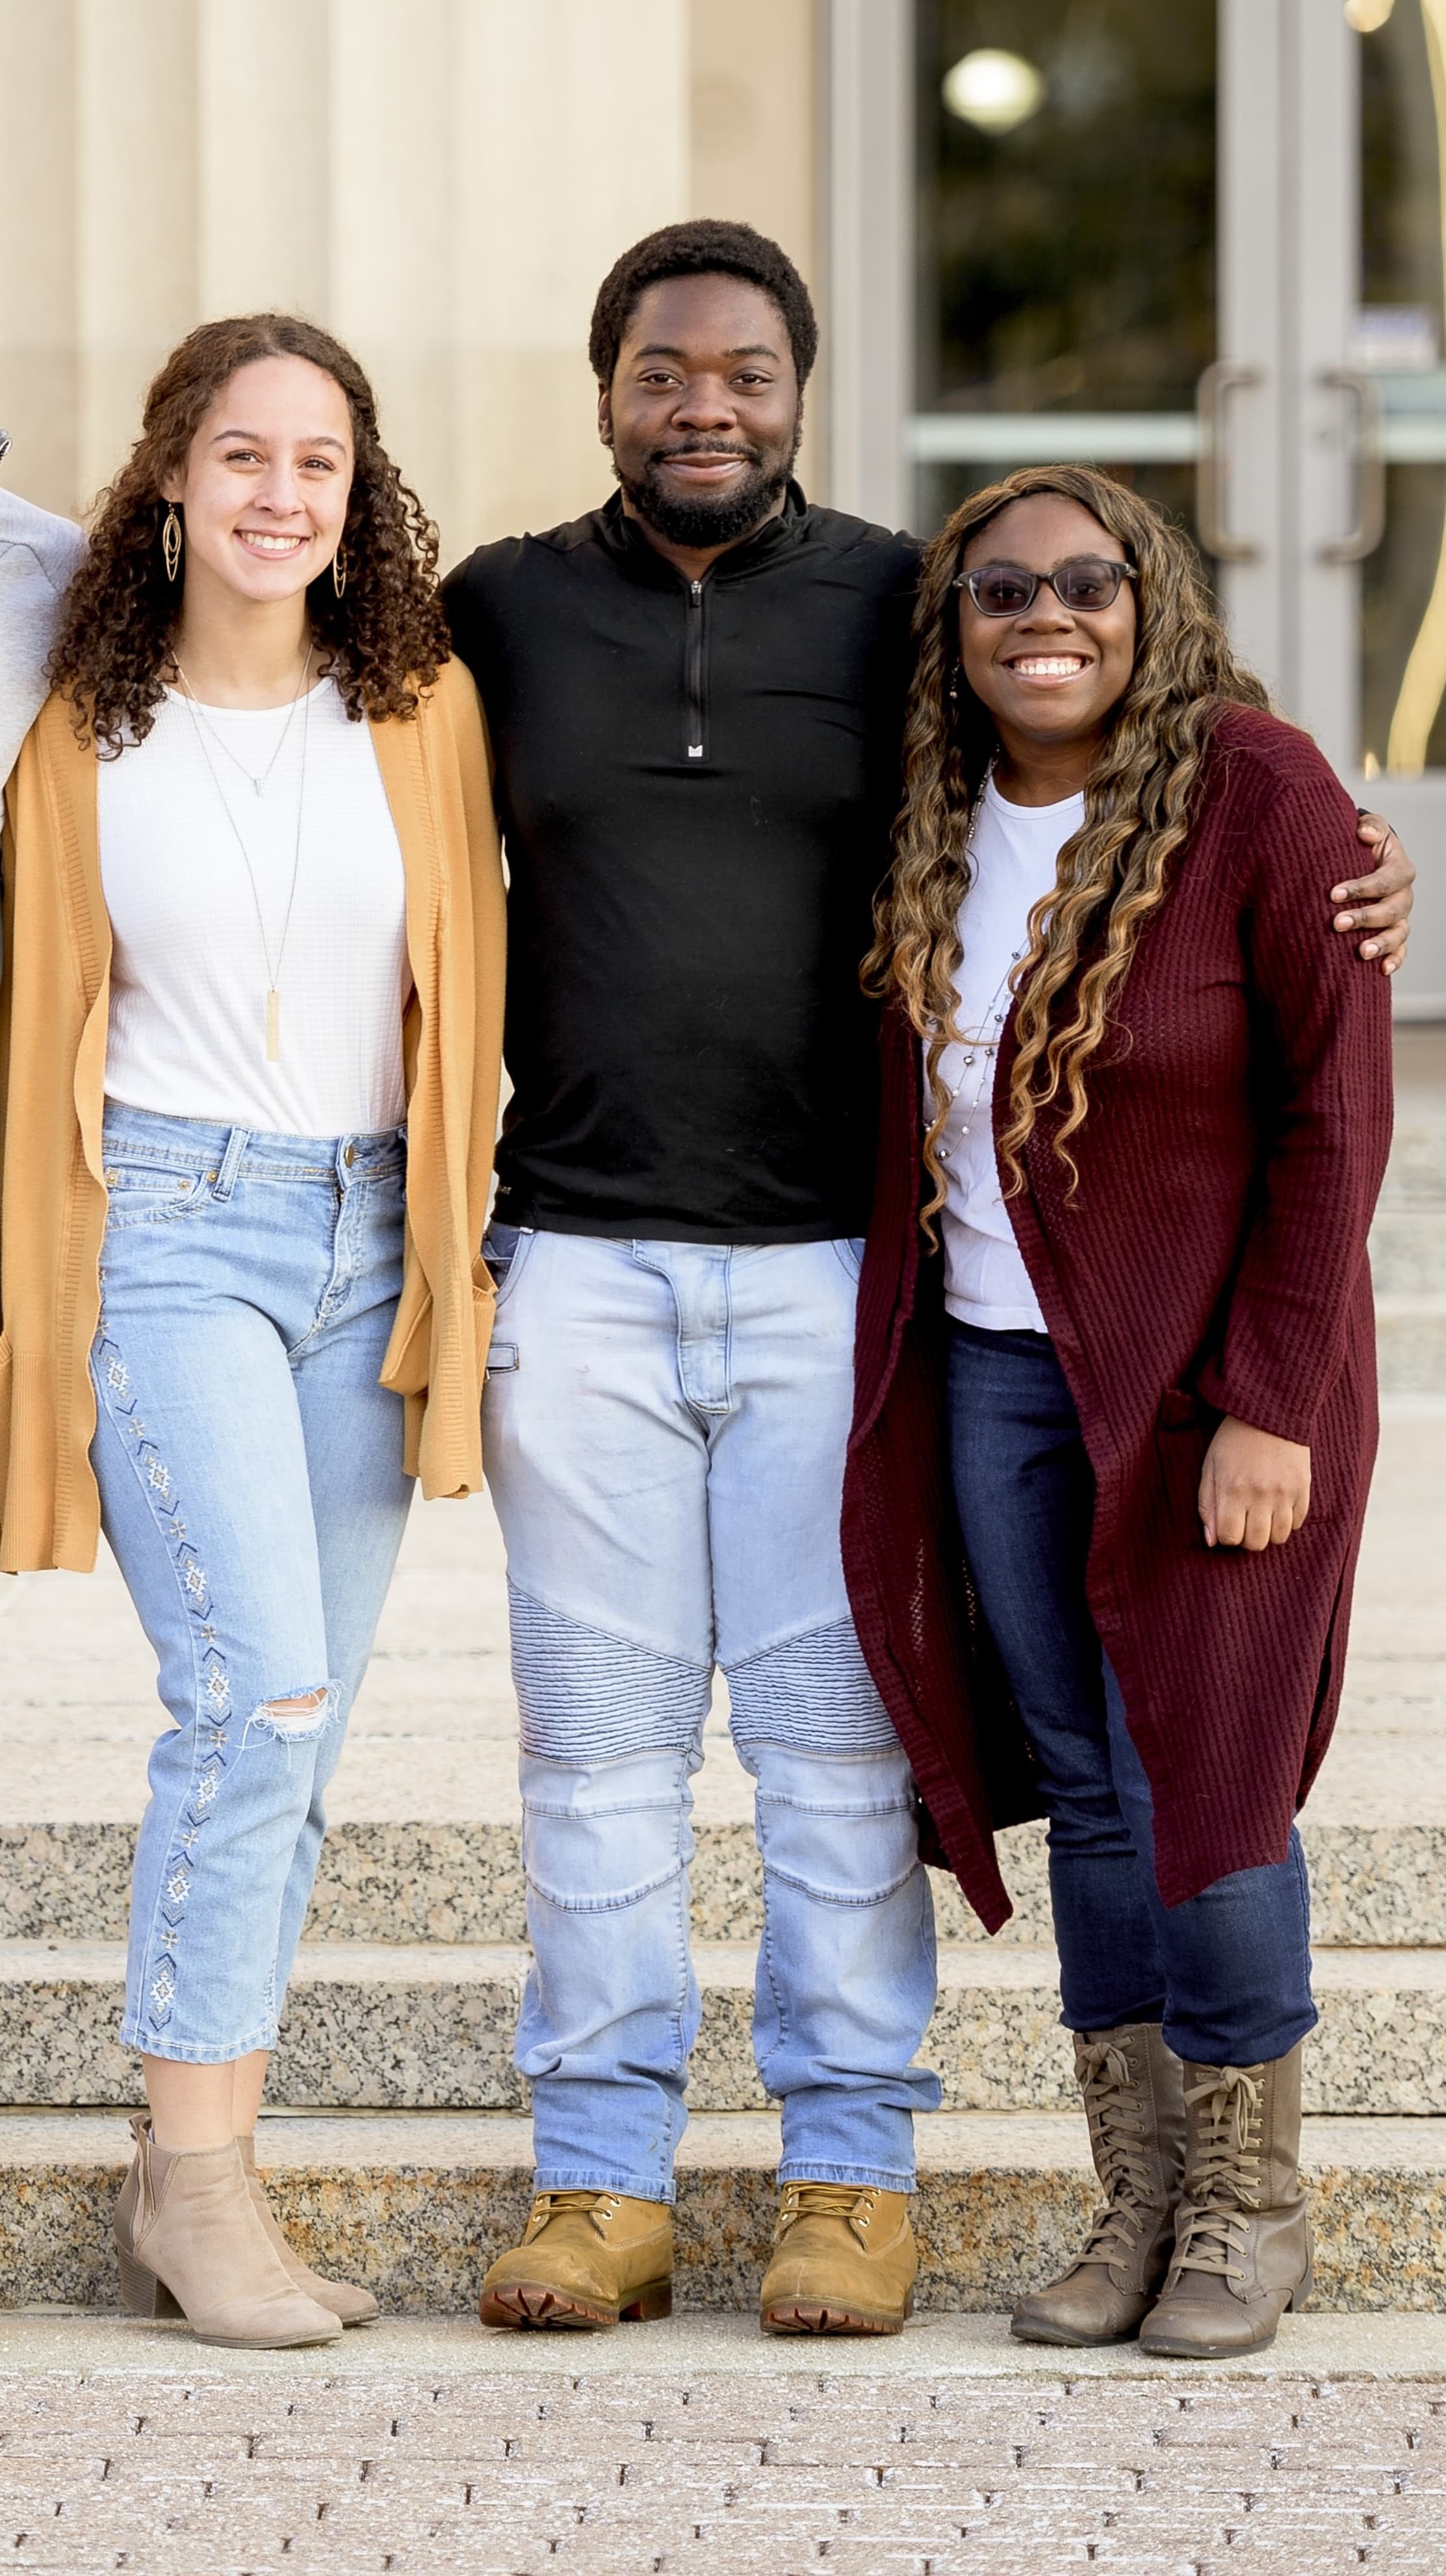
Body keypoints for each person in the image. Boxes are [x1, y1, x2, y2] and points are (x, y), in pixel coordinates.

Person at [440, 220, 1413, 2339]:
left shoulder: (955, 628)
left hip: (905, 1306)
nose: (705, 405)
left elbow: (1296, 1040)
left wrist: (1357, 856)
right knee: (678, 1753)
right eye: (663, 370)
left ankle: (931, 2187)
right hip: (709, 1293)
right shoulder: (506, 614)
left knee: (937, 1755)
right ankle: (649, 2187)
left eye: (747, 370)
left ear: (805, 390)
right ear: (603, 388)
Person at [849, 463, 1394, 2360]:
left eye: (1087, 582)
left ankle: (1252, 2203)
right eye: (1001, 590)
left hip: (1212, 1396)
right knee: (1086, 1784)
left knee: (1204, 1770)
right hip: (999, 1375)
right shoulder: (925, 811)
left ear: (1149, 602)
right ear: (955, 628)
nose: (1047, 617)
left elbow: (1338, 1115)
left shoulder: (1258, 792)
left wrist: (1273, 1402)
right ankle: (1140, 2192)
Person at [0, 318, 505, 2349]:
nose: (278, 494)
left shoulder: (421, 705)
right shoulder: (64, 715)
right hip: (165, 1229)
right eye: (239, 455)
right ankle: (199, 2190)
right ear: (168, 478)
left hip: (374, 1242)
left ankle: (194, 2161)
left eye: (317, 461)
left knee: (295, 1740)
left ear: (357, 493)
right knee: (257, 1698)